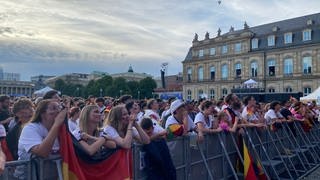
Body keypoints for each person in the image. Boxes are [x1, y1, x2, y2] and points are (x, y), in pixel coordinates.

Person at [15, 100, 67, 178]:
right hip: (29, 176)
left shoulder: (62, 130)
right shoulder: (30, 128)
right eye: (53, 108)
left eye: (59, 108)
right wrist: (56, 124)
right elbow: (42, 152)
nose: (58, 111)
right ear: (43, 114)